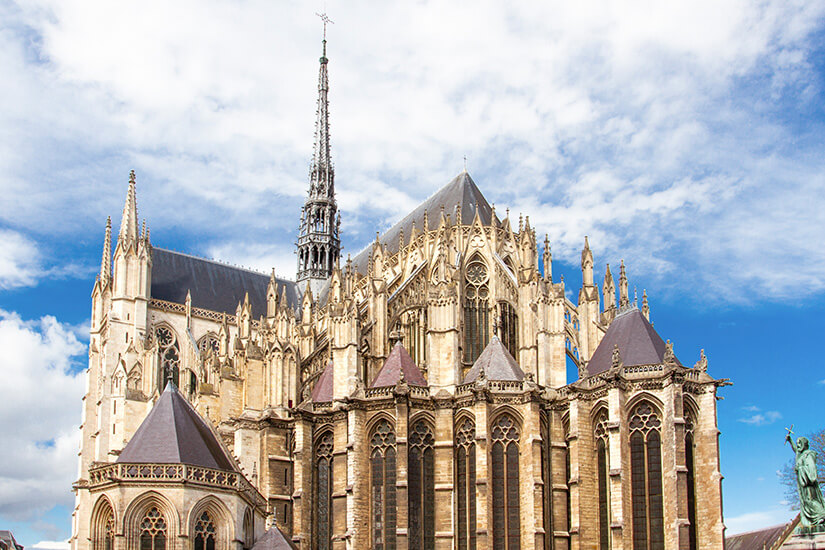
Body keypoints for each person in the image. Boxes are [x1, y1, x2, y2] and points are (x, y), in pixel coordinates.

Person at [787, 434, 825, 526]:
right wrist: (790, 441)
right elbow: (796, 450)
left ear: (804, 444)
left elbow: (811, 469)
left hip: (808, 482)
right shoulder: (801, 455)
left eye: (800, 443)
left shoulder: (808, 454)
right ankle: (815, 519)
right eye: (797, 443)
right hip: (803, 483)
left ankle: (821, 516)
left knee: (811, 499)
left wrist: (801, 469)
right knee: (807, 501)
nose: (798, 445)